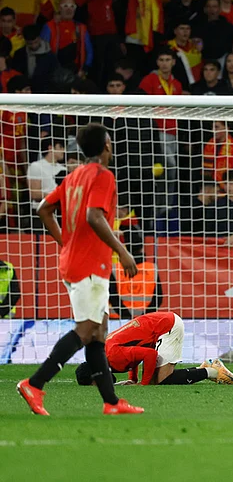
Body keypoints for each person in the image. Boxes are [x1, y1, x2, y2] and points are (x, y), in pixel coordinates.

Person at [17, 124, 143, 416]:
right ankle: (34, 384)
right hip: (89, 263)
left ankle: (112, 403)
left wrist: (65, 241)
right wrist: (122, 251)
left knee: (98, 332)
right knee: (86, 330)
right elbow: (94, 215)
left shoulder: (74, 176)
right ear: (107, 145)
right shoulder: (102, 175)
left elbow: (43, 209)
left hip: (76, 260)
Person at [75, 312, 233, 386]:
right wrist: (134, 379)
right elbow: (133, 355)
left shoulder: (113, 356)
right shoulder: (107, 353)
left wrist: (143, 384)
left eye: (95, 384)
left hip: (167, 327)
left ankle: (214, 372)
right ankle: (207, 367)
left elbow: (149, 354)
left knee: (160, 380)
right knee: (156, 379)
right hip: (161, 324)